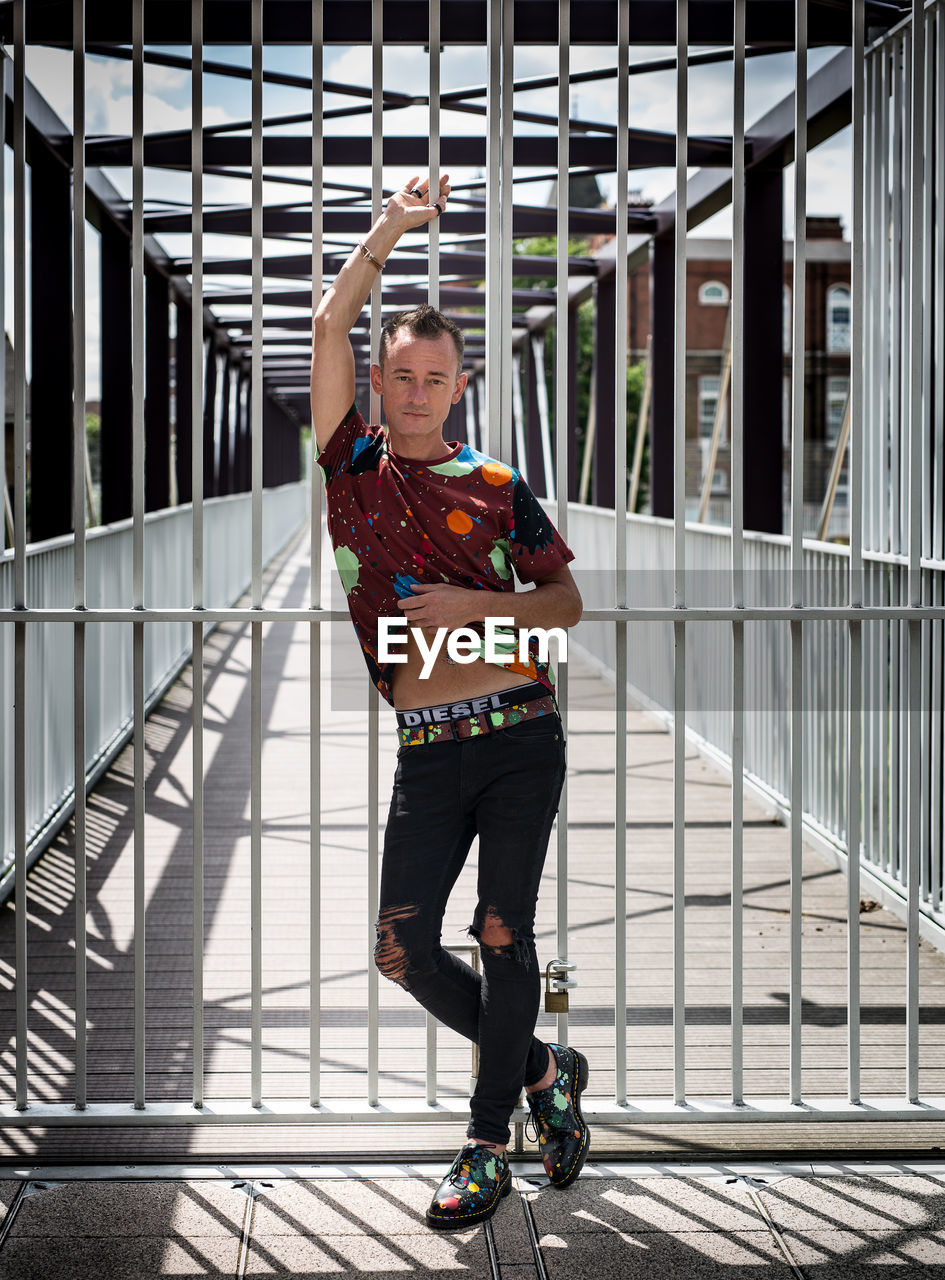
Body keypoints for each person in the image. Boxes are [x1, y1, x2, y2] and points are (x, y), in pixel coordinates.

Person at [310, 173, 588, 1230]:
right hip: (428, 745)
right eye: (402, 375)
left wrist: (475, 600)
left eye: (436, 377)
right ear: (377, 380)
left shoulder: (496, 482)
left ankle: (485, 1146)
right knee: (400, 946)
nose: (418, 391)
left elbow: (565, 604)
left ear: (461, 383)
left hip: (520, 734)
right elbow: (332, 317)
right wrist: (393, 224)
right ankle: (539, 1066)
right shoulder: (355, 473)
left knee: (502, 930)